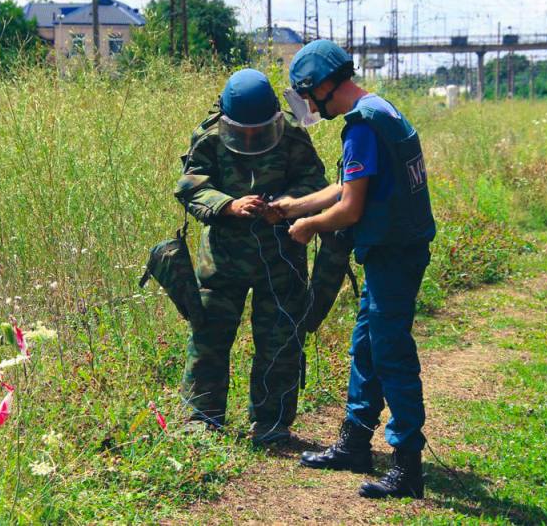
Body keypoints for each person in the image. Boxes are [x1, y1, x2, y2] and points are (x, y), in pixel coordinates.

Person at [271, 40, 436, 498]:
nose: (308, 105)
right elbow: (346, 186)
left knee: (390, 352)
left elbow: (350, 208)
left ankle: (407, 467)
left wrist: (307, 227)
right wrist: (293, 206)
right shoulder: (379, 110)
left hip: (393, 253)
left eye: (307, 95)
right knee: (366, 344)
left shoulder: (361, 127)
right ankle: (355, 443)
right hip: (397, 247)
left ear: (324, 86)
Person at [174, 68, 327, 445]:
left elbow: (315, 183)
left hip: (281, 257)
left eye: (257, 131)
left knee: (280, 340)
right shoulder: (209, 136)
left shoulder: (292, 135)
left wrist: (287, 204)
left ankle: (271, 423)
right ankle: (202, 420)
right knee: (208, 337)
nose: (249, 138)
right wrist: (228, 205)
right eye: (241, 131)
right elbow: (191, 186)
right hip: (222, 260)